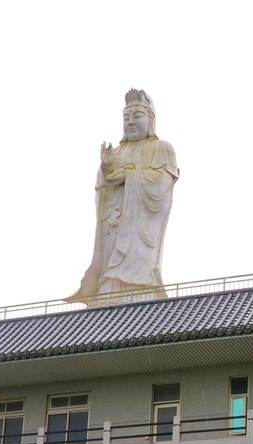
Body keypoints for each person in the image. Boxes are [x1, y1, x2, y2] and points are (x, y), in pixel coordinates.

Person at [69, 88, 179, 304]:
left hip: (139, 230)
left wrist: (128, 178)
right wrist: (106, 167)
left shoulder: (162, 148)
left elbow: (161, 184)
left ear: (151, 120)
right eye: (126, 117)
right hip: (114, 226)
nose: (130, 122)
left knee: (139, 282)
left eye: (137, 116)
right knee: (109, 275)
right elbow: (104, 186)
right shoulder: (117, 152)